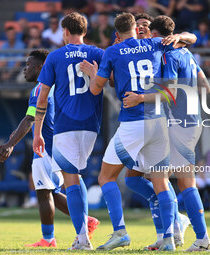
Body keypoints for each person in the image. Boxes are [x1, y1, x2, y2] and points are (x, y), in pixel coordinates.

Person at [80, 12, 196, 251]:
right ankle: (168, 239)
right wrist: (179, 36)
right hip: (159, 123)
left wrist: (93, 74)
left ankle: (120, 232)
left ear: (117, 34)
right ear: (136, 28)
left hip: (133, 124)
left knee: (106, 177)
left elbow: (95, 90)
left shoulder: (113, 51)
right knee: (159, 181)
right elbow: (191, 39)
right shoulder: (154, 43)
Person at [0, 49, 99, 247]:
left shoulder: (40, 89)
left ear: (41, 67)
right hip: (60, 144)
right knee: (51, 191)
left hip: (45, 146)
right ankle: (85, 220)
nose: (24, 69)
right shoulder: (58, 86)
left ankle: (48, 239)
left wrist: (10, 144)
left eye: (28, 65)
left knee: (43, 192)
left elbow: (30, 119)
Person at [33, 12, 104, 250]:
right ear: (85, 31)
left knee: (70, 181)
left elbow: (42, 96)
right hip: (92, 125)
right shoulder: (97, 53)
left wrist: (37, 132)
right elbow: (112, 81)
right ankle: (82, 232)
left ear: (65, 31)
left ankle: (82, 238)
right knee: (77, 177)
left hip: (66, 126)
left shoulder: (54, 57)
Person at [148, 15, 210, 252]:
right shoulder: (187, 52)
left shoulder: (168, 54)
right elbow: (205, 86)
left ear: (158, 36)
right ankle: (183, 231)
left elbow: (170, 91)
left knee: (175, 181)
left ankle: (193, 236)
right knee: (176, 180)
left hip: (178, 123)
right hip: (193, 121)